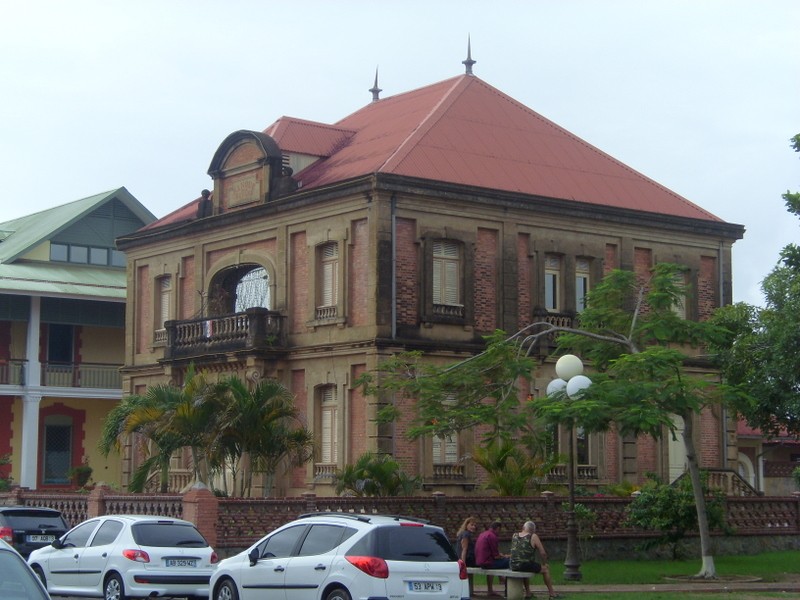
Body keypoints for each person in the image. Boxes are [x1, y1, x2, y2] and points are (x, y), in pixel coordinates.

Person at [510, 520, 563, 599]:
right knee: (545, 570)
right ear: (533, 530)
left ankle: (528, 593)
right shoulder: (533, 536)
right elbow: (543, 553)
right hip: (524, 565)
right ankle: (552, 594)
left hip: (513, 565)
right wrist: (544, 564)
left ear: (523, 528)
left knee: (526, 566)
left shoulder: (514, 535)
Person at [475, 520, 510, 597]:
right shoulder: (493, 536)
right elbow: (496, 556)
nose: (499, 532)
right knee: (510, 562)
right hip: (488, 563)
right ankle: (508, 590)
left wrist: (500, 555)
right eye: (499, 530)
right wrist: (504, 556)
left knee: (498, 563)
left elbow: (490, 552)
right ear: (497, 528)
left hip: (480, 562)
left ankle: (490, 590)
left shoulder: (482, 534)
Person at [455, 516, 478, 595]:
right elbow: (464, 550)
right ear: (466, 525)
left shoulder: (462, 534)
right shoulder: (466, 535)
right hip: (467, 560)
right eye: (472, 525)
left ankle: (469, 591)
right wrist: (463, 564)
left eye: (475, 525)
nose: (474, 527)